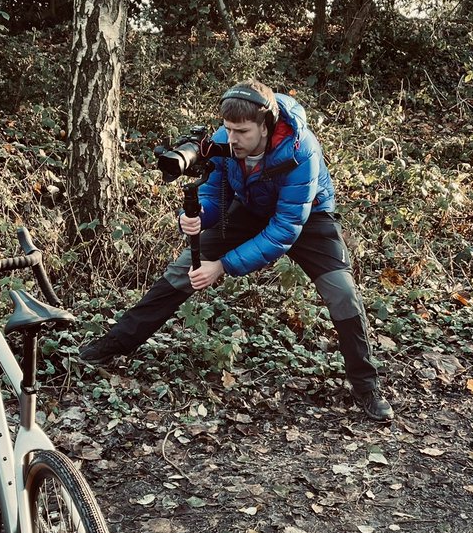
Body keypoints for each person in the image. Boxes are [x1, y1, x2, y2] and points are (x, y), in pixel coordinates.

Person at [80, 81, 393, 422]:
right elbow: (215, 196)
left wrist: (223, 266)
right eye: (228, 130)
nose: (232, 140)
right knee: (182, 271)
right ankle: (110, 347)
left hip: (306, 216)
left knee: (342, 292)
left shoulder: (300, 150)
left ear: (265, 126)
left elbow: (283, 231)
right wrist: (198, 215)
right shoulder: (223, 141)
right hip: (249, 207)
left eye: (242, 132)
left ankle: (366, 387)